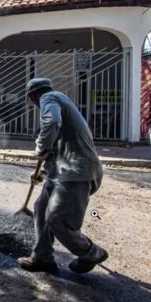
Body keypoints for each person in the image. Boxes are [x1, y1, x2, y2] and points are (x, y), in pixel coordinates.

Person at [17, 77, 108, 274]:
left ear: (33, 96)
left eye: (32, 101)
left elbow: (52, 123)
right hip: (61, 171)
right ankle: (42, 258)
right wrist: (44, 170)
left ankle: (91, 252)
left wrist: (40, 147)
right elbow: (61, 142)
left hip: (77, 172)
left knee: (57, 218)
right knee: (41, 208)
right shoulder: (61, 100)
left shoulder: (49, 99)